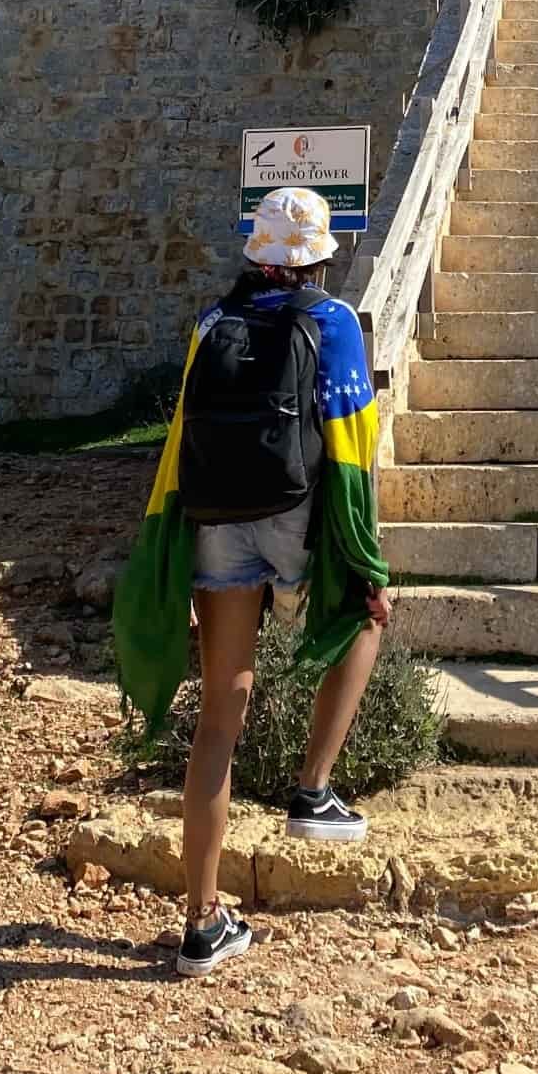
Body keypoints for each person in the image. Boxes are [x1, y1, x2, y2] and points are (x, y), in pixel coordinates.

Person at [174, 184, 392, 979]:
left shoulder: (210, 322)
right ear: (316, 261)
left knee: (219, 716)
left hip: (216, 520)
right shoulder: (330, 321)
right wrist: (364, 561)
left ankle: (201, 923)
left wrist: (169, 538)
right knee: (365, 620)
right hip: (296, 512)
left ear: (255, 254)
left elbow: (179, 438)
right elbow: (352, 441)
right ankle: (312, 788)